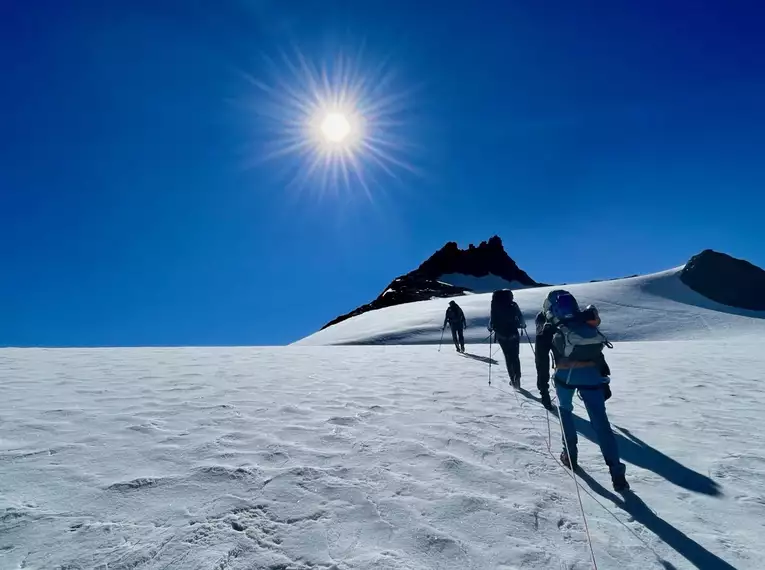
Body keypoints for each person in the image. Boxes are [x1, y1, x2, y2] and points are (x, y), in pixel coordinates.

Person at [535, 290, 629, 492]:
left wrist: (543, 388)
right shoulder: (585, 322)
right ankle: (617, 472)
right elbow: (598, 355)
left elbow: (541, 362)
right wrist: (604, 379)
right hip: (593, 377)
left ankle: (570, 455)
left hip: (565, 378)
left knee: (566, 412)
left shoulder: (550, 329)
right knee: (601, 423)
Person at [488, 289, 526, 388]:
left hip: (501, 335)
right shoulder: (513, 305)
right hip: (513, 333)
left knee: (508, 357)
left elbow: (492, 320)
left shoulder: (495, 305)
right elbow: (520, 317)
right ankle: (517, 378)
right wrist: (523, 325)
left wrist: (491, 328)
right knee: (515, 356)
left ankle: (512, 379)